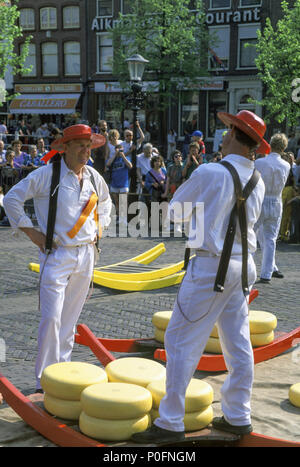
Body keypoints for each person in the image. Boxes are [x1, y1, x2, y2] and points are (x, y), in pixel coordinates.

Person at [131, 110, 268, 444]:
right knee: (237, 343)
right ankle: (238, 415)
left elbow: (175, 213)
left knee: (180, 341)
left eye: (227, 130)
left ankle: (171, 422)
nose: (222, 135)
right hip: (243, 266)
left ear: (235, 135)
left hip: (211, 268)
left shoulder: (211, 171)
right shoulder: (257, 178)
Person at [3, 124, 112, 392]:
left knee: (69, 320)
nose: (86, 152)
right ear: (65, 148)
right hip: (56, 254)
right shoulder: (45, 175)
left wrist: (99, 228)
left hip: (87, 255)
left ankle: (61, 372)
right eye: (80, 147)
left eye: (89, 147)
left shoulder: (95, 177)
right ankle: (45, 380)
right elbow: (11, 199)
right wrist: (33, 234)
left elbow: (106, 203)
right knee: (51, 318)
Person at [254, 133, 291, 283]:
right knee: (271, 239)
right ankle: (266, 273)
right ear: (283, 148)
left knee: (250, 234)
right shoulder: (287, 165)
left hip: (261, 199)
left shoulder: (260, 162)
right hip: (276, 201)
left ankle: (246, 267)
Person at [106, 143, 132, 225]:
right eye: (119, 150)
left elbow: (130, 166)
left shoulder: (126, 158)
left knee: (123, 201)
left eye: (122, 150)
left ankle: (124, 219)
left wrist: (123, 156)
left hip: (124, 183)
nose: (120, 151)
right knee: (117, 202)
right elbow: (108, 164)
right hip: (114, 183)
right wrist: (115, 154)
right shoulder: (113, 159)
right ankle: (119, 217)